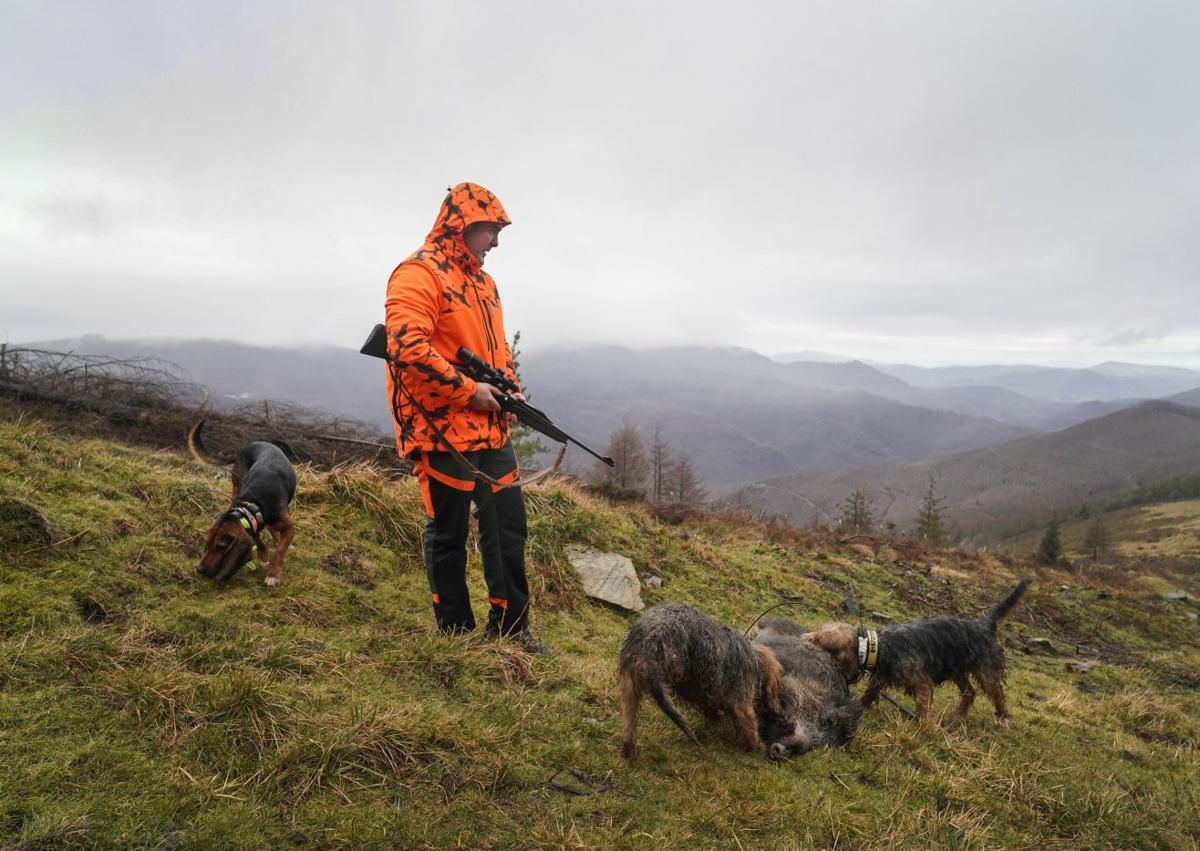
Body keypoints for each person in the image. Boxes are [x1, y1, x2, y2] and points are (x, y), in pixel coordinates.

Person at [384, 182, 546, 653]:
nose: (496, 241)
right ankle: (454, 634)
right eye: (491, 230)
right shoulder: (417, 274)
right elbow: (405, 347)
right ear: (463, 225)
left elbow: (495, 350)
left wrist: (506, 385)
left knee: (508, 525)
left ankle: (511, 630)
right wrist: (468, 391)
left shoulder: (484, 283)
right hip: (439, 431)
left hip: (490, 427)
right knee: (449, 531)